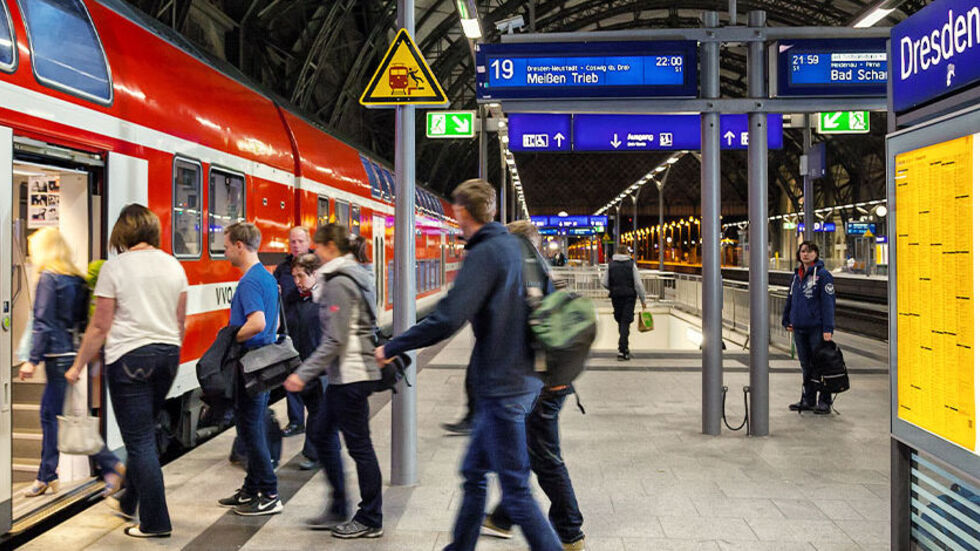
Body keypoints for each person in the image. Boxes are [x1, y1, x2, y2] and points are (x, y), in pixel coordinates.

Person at [375, 179, 562, 551]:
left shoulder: (485, 253)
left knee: (516, 491)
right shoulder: (519, 247)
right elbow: (552, 300)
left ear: (462, 212)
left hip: (502, 386)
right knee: (474, 472)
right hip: (524, 381)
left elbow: (448, 318)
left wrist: (395, 345)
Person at [65, 205, 187, 538]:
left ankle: (156, 522)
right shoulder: (173, 265)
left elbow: (100, 326)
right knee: (144, 432)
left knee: (139, 441)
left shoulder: (115, 268)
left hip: (130, 359)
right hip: (168, 355)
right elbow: (180, 322)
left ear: (123, 232)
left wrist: (78, 365)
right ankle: (128, 500)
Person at [480, 220, 586, 550]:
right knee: (526, 450)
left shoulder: (528, 276)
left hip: (543, 383)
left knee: (545, 457)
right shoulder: (541, 269)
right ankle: (503, 518)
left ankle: (571, 533)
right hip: (550, 379)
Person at [283, 225, 383, 539]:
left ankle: (370, 517)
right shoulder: (348, 275)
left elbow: (335, 340)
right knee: (322, 433)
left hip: (351, 375)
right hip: (346, 375)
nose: (313, 252)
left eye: (317, 247)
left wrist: (303, 372)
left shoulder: (339, 283)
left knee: (359, 447)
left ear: (329, 247)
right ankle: (339, 505)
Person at [18, 228, 125, 500]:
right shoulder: (76, 279)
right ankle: (48, 474)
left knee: (51, 416)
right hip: (73, 352)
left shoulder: (48, 278)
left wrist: (32, 360)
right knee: (61, 415)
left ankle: (106, 463)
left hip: (55, 355)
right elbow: (81, 321)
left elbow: (42, 322)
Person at [217, 222, 282, 516]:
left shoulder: (250, 282)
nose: (225, 250)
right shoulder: (266, 277)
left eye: (228, 245)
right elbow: (275, 324)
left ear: (240, 246)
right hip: (263, 361)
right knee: (248, 426)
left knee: (251, 428)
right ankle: (251, 488)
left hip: (251, 361)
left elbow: (258, 322)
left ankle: (269, 492)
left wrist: (232, 337)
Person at [783, 241, 837, 415]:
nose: (805, 254)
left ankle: (825, 401)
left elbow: (828, 304)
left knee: (821, 364)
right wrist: (787, 319)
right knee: (806, 365)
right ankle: (808, 398)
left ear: (816, 254)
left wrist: (828, 329)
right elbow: (790, 299)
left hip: (816, 328)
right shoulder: (796, 276)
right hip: (799, 327)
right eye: (803, 251)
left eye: (809, 251)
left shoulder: (823, 276)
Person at [273, 226, 314, 439]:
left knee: (316, 380)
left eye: (300, 241)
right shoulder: (282, 269)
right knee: (292, 375)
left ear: (308, 242)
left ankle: (319, 422)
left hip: (313, 331)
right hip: (291, 330)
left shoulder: (318, 266)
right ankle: (296, 421)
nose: (296, 245)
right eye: (293, 242)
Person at [289, 253, 327, 471]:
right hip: (302, 363)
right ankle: (323, 449)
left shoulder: (326, 299)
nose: (297, 281)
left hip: (322, 366)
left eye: (301, 276)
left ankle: (314, 453)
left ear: (315, 274)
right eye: (294, 276)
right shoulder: (295, 299)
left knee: (318, 411)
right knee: (317, 410)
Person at [601, 245, 647, 361]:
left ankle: (623, 347)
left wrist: (612, 288)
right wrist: (643, 300)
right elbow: (638, 284)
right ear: (627, 253)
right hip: (629, 297)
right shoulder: (631, 265)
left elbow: (604, 282)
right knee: (625, 321)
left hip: (616, 297)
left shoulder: (610, 265)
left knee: (620, 321)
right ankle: (623, 349)